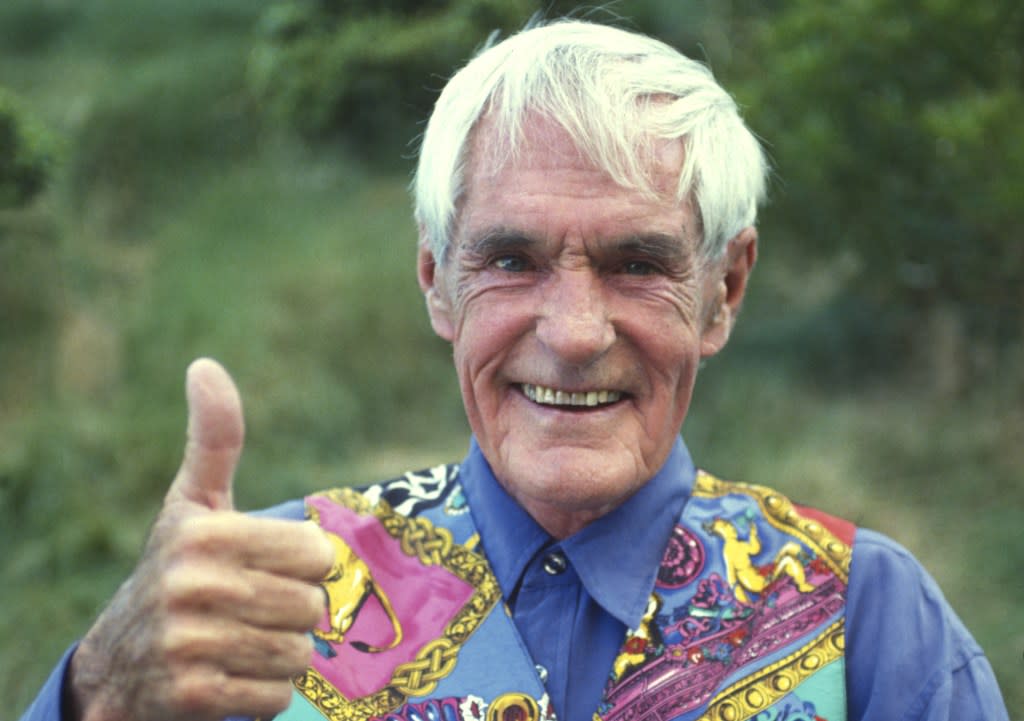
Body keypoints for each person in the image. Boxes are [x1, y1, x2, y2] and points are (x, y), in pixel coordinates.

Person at [20, 18, 1008, 721]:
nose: (575, 330)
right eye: (509, 259)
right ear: (435, 281)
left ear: (724, 288)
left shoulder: (863, 620)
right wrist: (99, 689)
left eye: (636, 263)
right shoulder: (260, 600)